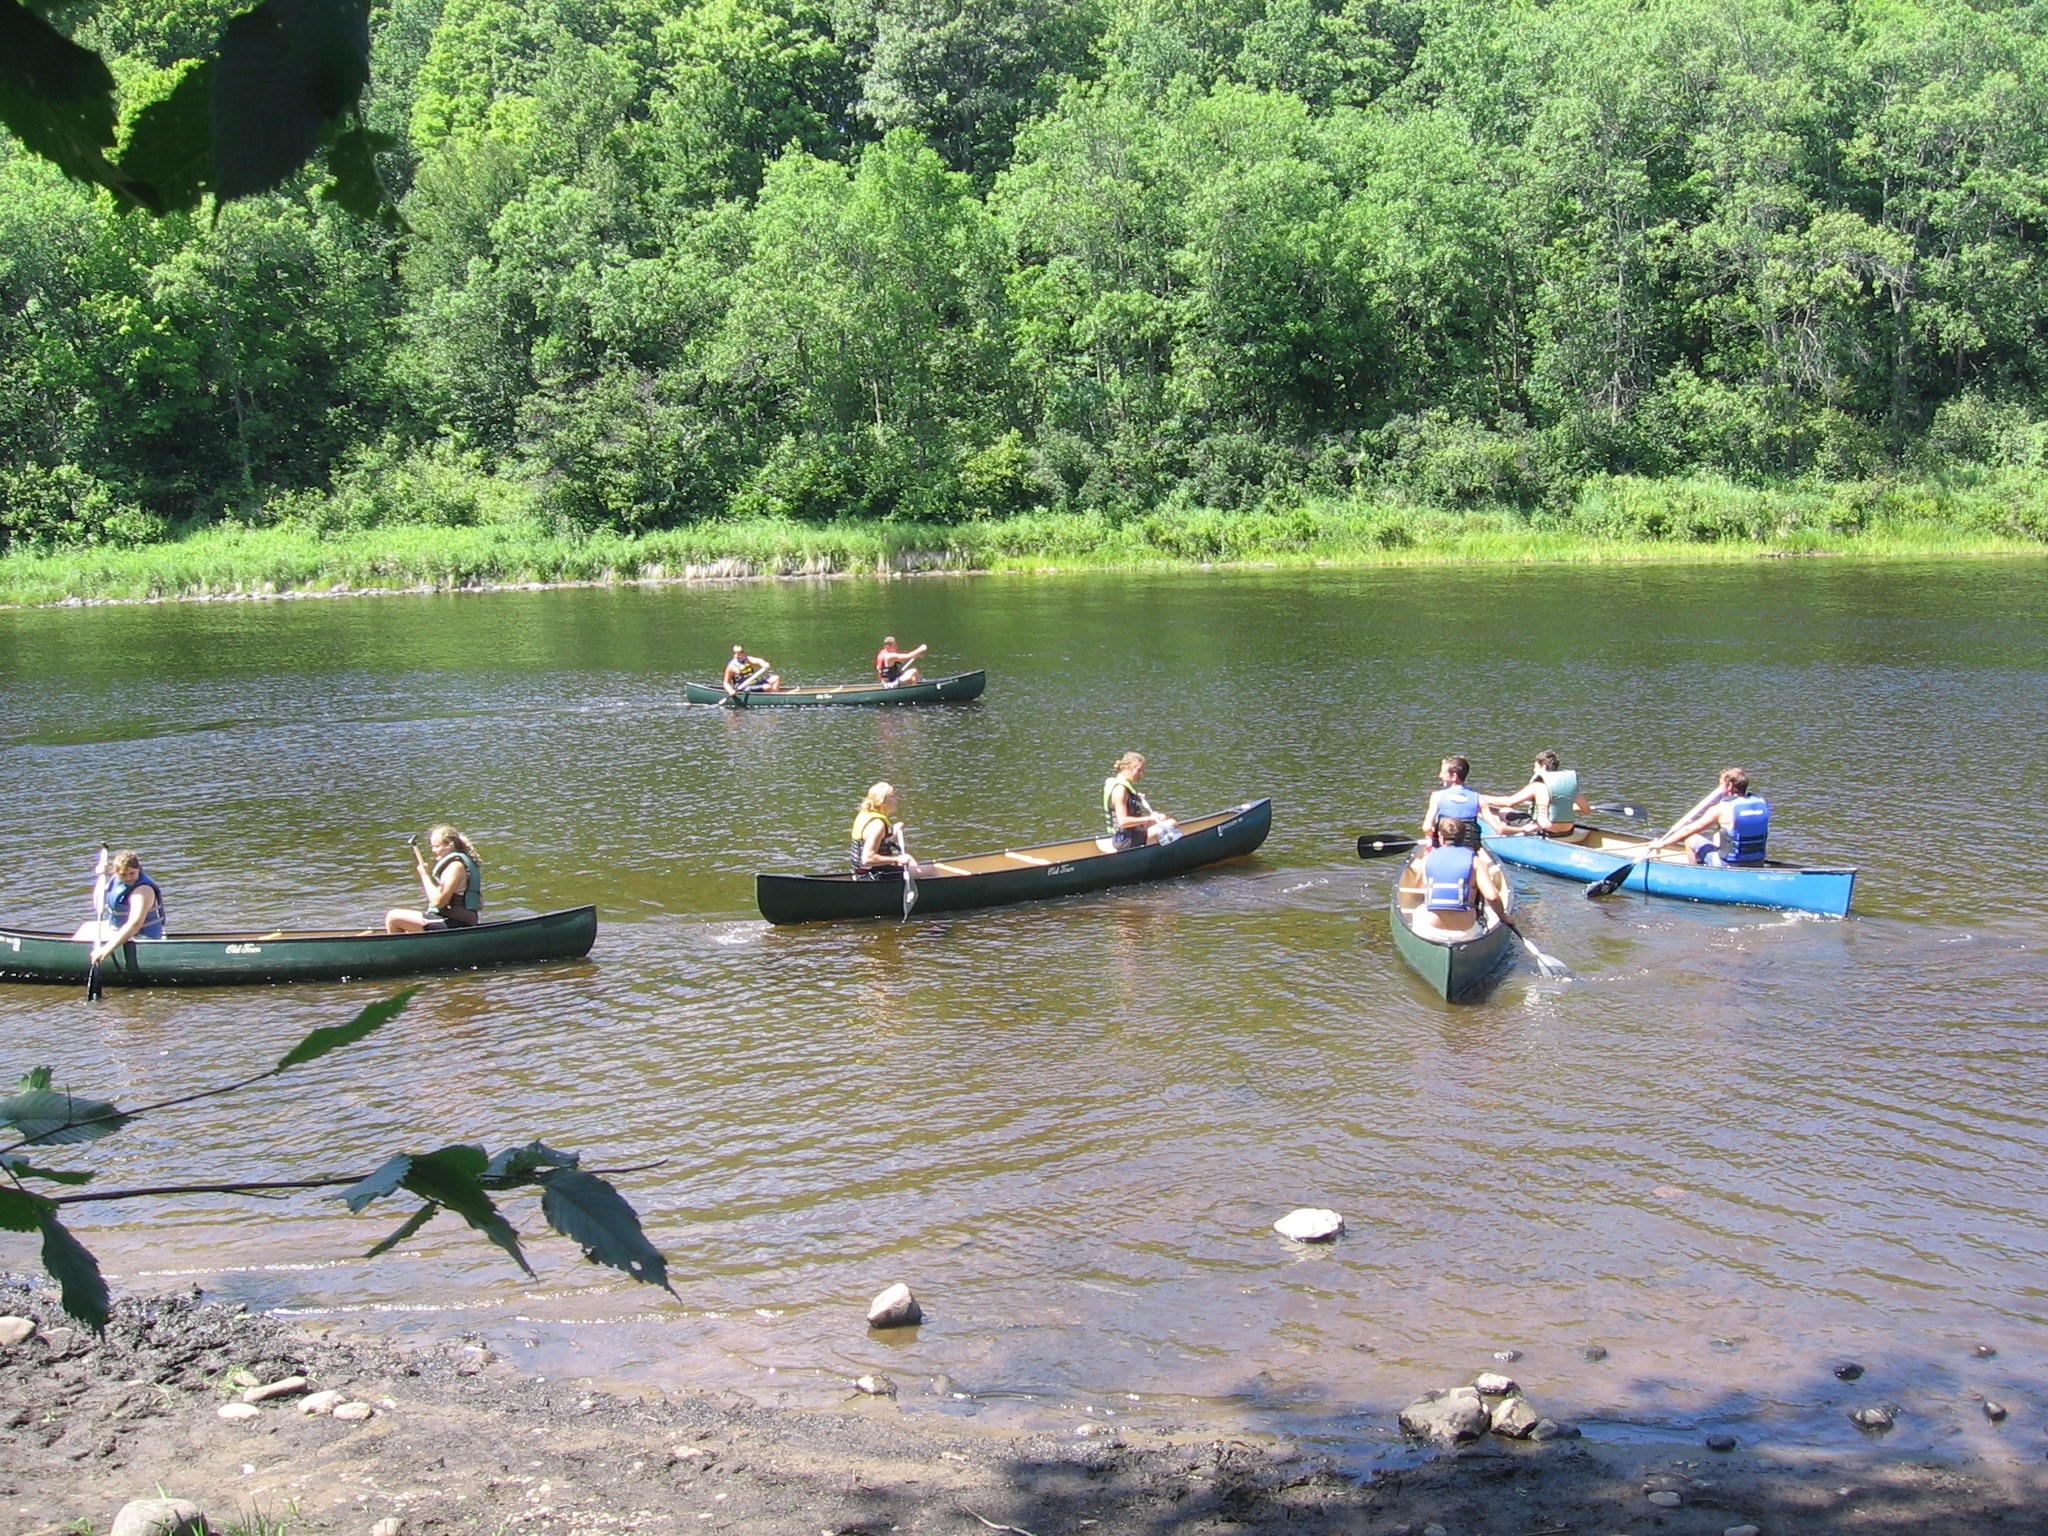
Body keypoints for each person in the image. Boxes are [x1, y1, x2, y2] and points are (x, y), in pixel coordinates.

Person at [1406, 818, 1509, 942]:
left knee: (1418, 911)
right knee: (1485, 915)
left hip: (1433, 930)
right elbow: (1492, 896)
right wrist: (1503, 917)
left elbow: (1418, 891)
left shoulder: (1427, 859)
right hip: (1466, 932)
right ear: (1463, 837)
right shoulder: (1476, 861)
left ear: (1440, 836)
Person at [1647, 767, 1770, 867]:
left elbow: (1688, 830)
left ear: (1729, 786)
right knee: (1718, 835)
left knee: (1691, 839)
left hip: (1729, 864)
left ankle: (1695, 873)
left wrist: (1662, 844)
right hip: (1757, 862)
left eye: (1721, 784)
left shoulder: (1722, 808)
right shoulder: (1762, 803)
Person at [387, 825, 483, 932]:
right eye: (432, 846)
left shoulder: (455, 867)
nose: (433, 850)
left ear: (449, 845)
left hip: (456, 923)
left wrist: (424, 875)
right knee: (407, 923)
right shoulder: (457, 864)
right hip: (457, 919)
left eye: (436, 846)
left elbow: (438, 902)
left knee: (393, 917)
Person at [1480, 749, 1594, 840]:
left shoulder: (1538, 786)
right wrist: (1564, 805)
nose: (1534, 770)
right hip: (1568, 830)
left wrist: (1481, 798)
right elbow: (1586, 810)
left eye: (1535, 767)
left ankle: (1504, 833)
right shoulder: (1568, 787)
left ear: (1543, 766)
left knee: (1503, 810)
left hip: (1545, 830)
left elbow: (1509, 802)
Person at [88, 850, 165, 962]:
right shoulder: (116, 879)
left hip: (142, 938)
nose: (128, 878)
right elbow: (97, 903)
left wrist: (106, 949)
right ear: (116, 872)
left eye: (132, 873)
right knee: (86, 927)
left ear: (139, 869)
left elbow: (134, 924)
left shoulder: (142, 891)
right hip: (117, 929)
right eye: (123, 874)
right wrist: (100, 875)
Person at [1103, 752, 1179, 850]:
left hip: (1131, 833)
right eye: (1139, 770)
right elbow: (1123, 821)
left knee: (1162, 817)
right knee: (1172, 823)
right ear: (1127, 768)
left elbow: (1125, 800)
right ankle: (1154, 851)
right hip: (1126, 841)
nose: (1141, 775)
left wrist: (1135, 796)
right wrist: (1150, 818)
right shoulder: (1120, 790)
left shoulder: (1120, 784)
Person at [850, 782, 918, 880]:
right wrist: (897, 858)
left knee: (911, 862)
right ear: (882, 801)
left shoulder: (866, 814)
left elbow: (878, 839)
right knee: (931, 871)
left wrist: (893, 831)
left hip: (864, 873)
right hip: (874, 876)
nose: (896, 799)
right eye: (892, 796)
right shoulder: (877, 824)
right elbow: (868, 858)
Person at [1420, 756, 1484, 848]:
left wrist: (1432, 837)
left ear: (1454, 776)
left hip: (1444, 846)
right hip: (1470, 847)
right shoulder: (1478, 797)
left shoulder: (1437, 796)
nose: (1440, 776)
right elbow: (1499, 829)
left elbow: (1426, 827)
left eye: (1443, 772)